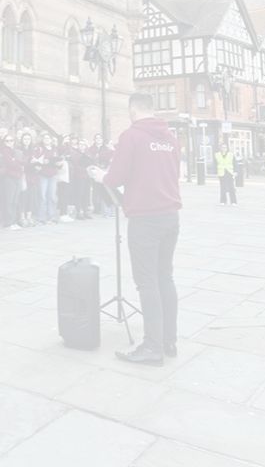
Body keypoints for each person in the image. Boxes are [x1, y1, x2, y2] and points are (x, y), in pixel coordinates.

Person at [89, 93, 182, 366]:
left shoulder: (132, 136)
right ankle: (168, 339)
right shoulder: (171, 138)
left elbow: (116, 177)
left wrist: (100, 176)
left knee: (147, 282)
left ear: (133, 109)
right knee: (165, 277)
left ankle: (152, 347)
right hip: (170, 216)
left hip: (145, 219)